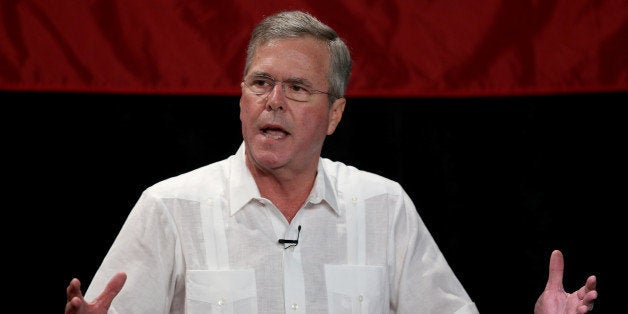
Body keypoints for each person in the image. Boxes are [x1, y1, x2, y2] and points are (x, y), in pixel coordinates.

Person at [65, 10, 597, 314]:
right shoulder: (169, 207)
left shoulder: (383, 207)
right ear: (241, 97)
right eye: (260, 83)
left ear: (335, 112)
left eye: (297, 87)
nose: (273, 100)